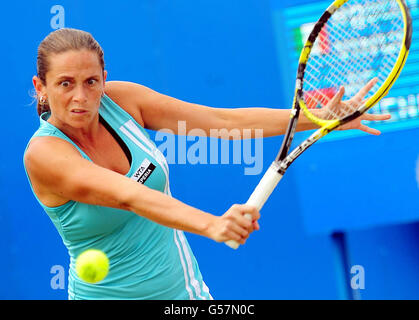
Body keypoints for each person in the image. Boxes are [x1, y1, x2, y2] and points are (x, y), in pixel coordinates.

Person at [23, 28, 390, 300]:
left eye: (91, 81)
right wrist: (212, 224)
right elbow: (128, 196)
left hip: (185, 294)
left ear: (104, 79)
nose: (80, 97)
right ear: (41, 86)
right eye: (65, 84)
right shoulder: (44, 155)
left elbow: (222, 122)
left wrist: (322, 117)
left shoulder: (123, 101)